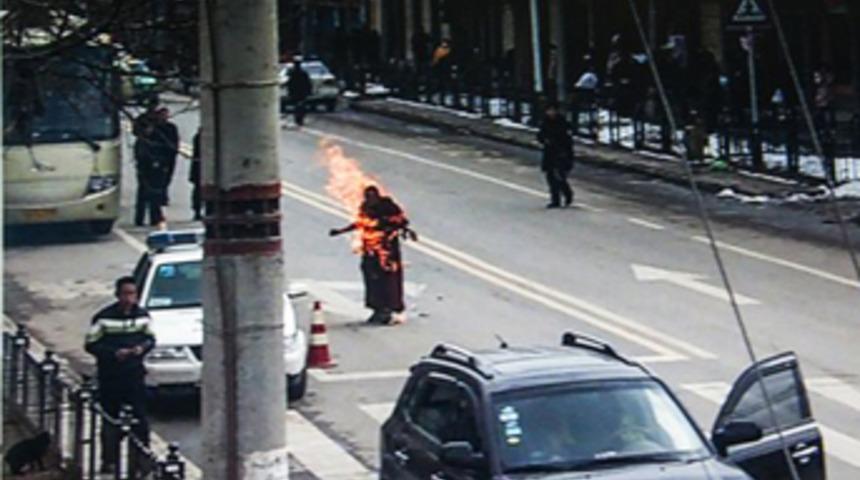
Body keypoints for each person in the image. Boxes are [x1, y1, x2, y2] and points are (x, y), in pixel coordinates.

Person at [84, 277, 155, 474]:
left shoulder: (142, 316)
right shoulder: (104, 318)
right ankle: (109, 460)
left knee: (140, 420)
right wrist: (113, 353)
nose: (129, 298)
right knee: (110, 421)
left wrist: (141, 348)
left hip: (134, 376)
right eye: (125, 294)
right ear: (117, 295)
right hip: (111, 377)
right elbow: (91, 344)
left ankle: (143, 462)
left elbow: (150, 338)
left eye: (132, 294)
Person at [329, 186, 415, 325]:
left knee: (387, 277)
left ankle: (388, 309)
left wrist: (385, 225)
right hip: (370, 248)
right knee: (370, 276)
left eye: (371, 196)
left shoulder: (387, 205)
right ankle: (377, 308)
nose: (369, 199)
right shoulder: (365, 207)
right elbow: (360, 223)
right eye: (366, 196)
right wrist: (340, 231)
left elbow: (402, 221)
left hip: (387, 249)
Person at [537, 104, 575, 208]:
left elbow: (567, 140)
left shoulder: (562, 123)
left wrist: (565, 152)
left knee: (559, 176)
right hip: (549, 153)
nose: (550, 113)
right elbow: (540, 136)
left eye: (552, 111)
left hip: (561, 153)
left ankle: (567, 194)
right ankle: (555, 200)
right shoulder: (545, 122)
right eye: (549, 111)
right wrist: (544, 140)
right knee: (551, 178)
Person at [133, 119, 167, 227]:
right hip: (146, 171)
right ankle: (144, 218)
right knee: (147, 195)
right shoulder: (143, 142)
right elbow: (143, 157)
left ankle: (152, 218)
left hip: (148, 171)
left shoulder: (150, 141)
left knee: (149, 196)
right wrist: (155, 162)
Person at [151, 107, 180, 204]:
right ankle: (159, 196)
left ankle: (163, 194)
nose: (165, 117)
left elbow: (175, 141)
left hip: (169, 156)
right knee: (158, 177)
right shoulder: (155, 128)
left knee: (167, 177)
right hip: (158, 156)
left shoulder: (171, 127)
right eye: (163, 114)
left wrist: (174, 151)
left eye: (166, 115)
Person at [287, 58, 313, 127]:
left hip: (299, 92)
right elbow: (290, 84)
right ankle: (299, 118)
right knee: (299, 105)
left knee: (299, 105)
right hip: (298, 92)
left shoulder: (298, 73)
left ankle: (299, 118)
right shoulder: (298, 73)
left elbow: (307, 83)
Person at [189, 128, 202, 221]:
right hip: (199, 168)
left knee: (197, 190)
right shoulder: (199, 138)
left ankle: (197, 210)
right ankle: (197, 210)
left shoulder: (198, 137)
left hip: (198, 168)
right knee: (198, 190)